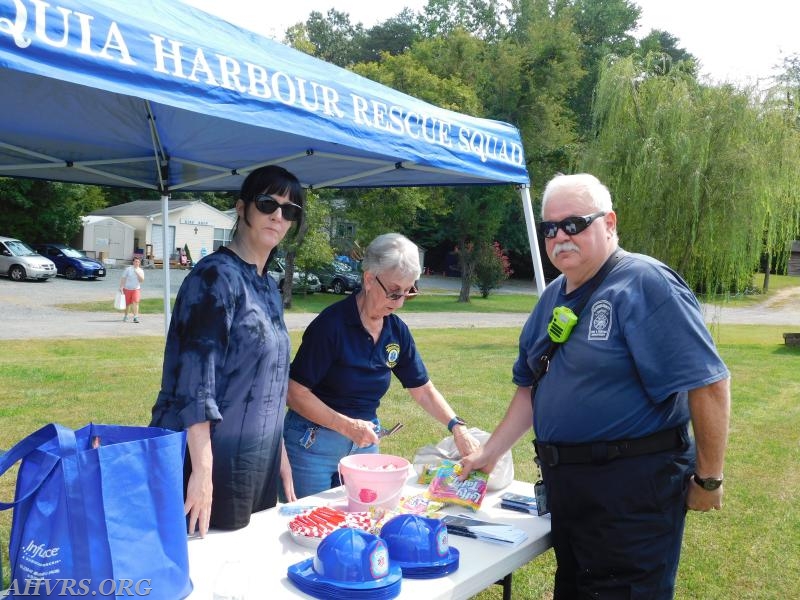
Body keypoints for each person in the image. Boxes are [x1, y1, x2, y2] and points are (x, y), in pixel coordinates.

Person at [460, 173, 731, 599]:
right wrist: (489, 454)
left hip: (631, 490)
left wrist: (709, 479)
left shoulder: (645, 283)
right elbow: (530, 388)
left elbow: (709, 384)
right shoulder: (552, 296)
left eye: (574, 223)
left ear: (609, 223)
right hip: (570, 487)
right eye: (549, 228)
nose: (560, 237)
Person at [149, 165, 301, 535]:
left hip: (255, 459)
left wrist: (279, 456)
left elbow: (270, 380)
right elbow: (194, 384)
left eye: (290, 210)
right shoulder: (214, 276)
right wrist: (202, 472)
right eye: (268, 203)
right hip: (208, 458)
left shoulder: (267, 286)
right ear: (241, 207)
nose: (278, 215)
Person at [284, 232, 481, 499]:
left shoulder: (396, 331)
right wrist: (347, 427)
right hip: (313, 443)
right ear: (368, 279)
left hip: (363, 443)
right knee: (312, 524)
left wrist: (456, 427)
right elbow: (295, 393)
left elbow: (422, 389)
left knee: (366, 518)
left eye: (408, 292)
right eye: (393, 292)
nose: (399, 302)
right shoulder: (331, 326)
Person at [119, 255, 144, 323]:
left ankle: (135, 317)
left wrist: (137, 273)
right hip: (127, 289)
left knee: (135, 302)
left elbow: (142, 280)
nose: (137, 263)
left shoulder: (141, 271)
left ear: (139, 263)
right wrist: (121, 287)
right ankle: (126, 316)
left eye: (138, 262)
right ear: (133, 262)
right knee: (127, 304)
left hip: (136, 289)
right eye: (135, 261)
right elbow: (123, 278)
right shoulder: (128, 269)